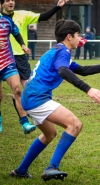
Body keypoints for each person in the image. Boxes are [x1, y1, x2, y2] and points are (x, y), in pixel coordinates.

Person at [9, 19, 100, 181]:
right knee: (75, 124)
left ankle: (21, 170)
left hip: (30, 98)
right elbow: (63, 71)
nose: (80, 38)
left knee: (49, 134)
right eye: (78, 35)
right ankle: (52, 167)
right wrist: (88, 89)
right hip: (37, 99)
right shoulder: (62, 52)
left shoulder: (58, 50)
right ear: (69, 37)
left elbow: (82, 70)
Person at [0, 0, 69, 134]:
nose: (11, 2)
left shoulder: (22, 15)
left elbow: (43, 17)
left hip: (18, 59)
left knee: (23, 89)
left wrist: (57, 7)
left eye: (12, 0)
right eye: (7, 0)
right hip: (7, 57)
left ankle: (27, 120)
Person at [0, 12, 30, 133]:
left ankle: (25, 122)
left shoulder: (6, 21)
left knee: (17, 89)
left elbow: (16, 34)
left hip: (8, 62)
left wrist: (23, 45)